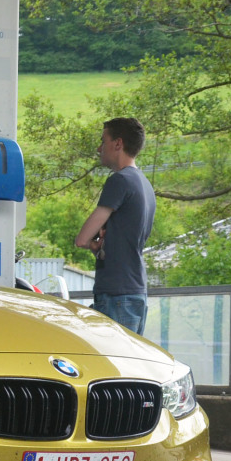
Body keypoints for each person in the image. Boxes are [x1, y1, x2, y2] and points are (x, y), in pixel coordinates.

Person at [75, 117, 155, 334]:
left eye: (104, 141)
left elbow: (82, 238)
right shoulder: (144, 184)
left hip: (117, 295)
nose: (99, 148)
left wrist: (91, 243)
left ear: (118, 144)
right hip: (135, 290)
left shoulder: (119, 181)